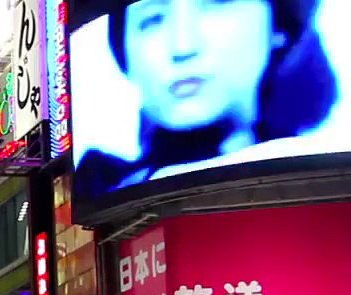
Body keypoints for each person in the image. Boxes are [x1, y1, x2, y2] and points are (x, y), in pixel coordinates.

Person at [76, 0, 337, 196]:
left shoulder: (323, 172)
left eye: (217, 3)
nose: (183, 46)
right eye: (153, 19)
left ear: (279, 26)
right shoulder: (93, 194)